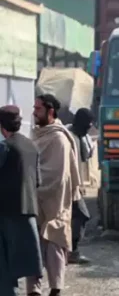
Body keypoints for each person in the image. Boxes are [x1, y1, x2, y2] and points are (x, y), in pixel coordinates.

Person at [27, 94, 82, 296]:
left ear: (50, 112)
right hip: (34, 199)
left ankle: (55, 288)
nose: (34, 113)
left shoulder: (59, 138)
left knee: (55, 242)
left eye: (38, 109)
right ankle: (33, 289)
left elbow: (58, 175)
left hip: (55, 201)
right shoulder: (38, 134)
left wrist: (38, 190)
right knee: (33, 244)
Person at [0, 105, 43, 296]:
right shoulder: (31, 146)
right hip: (29, 210)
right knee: (26, 261)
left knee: (5, 266)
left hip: (6, 213)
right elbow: (38, 181)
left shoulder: (4, 147)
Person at [67, 108, 95, 265]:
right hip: (65, 186)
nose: (88, 129)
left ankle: (69, 251)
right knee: (82, 215)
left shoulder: (80, 137)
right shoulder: (68, 136)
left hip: (74, 186)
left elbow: (84, 158)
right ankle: (71, 252)